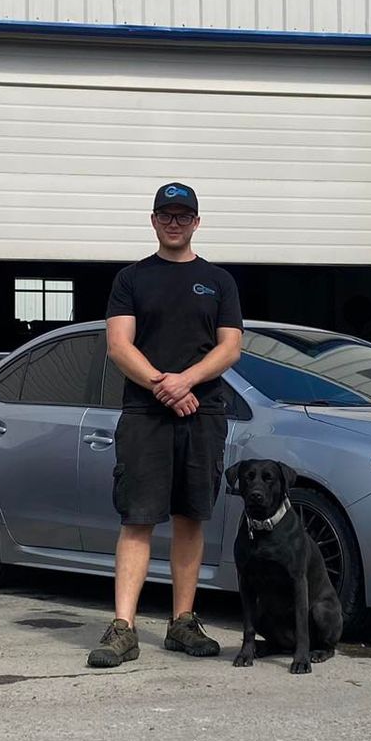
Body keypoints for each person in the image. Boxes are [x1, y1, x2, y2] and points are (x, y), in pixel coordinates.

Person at [89, 183, 243, 667]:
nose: (174, 223)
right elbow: (119, 346)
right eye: (165, 215)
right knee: (137, 518)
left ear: (197, 222)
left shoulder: (219, 281)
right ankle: (123, 628)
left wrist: (188, 382)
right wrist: (164, 386)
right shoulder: (131, 279)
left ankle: (182, 622)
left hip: (203, 411)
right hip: (145, 417)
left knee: (190, 516)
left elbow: (230, 347)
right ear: (153, 220)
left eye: (183, 215)